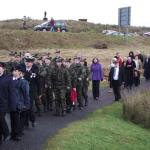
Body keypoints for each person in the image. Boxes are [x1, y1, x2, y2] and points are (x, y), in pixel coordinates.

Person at [0, 62, 17, 143]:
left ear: (3, 69)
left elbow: (12, 93)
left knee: (1, 118)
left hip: (4, 103)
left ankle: (6, 133)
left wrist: (13, 106)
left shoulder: (8, 79)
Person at [22, 56, 41, 127]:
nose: (27, 63)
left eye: (28, 62)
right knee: (24, 107)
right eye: (26, 62)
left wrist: (39, 92)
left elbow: (38, 82)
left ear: (32, 63)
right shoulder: (22, 70)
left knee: (29, 106)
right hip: (23, 91)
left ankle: (33, 120)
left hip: (31, 91)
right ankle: (25, 122)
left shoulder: (34, 71)